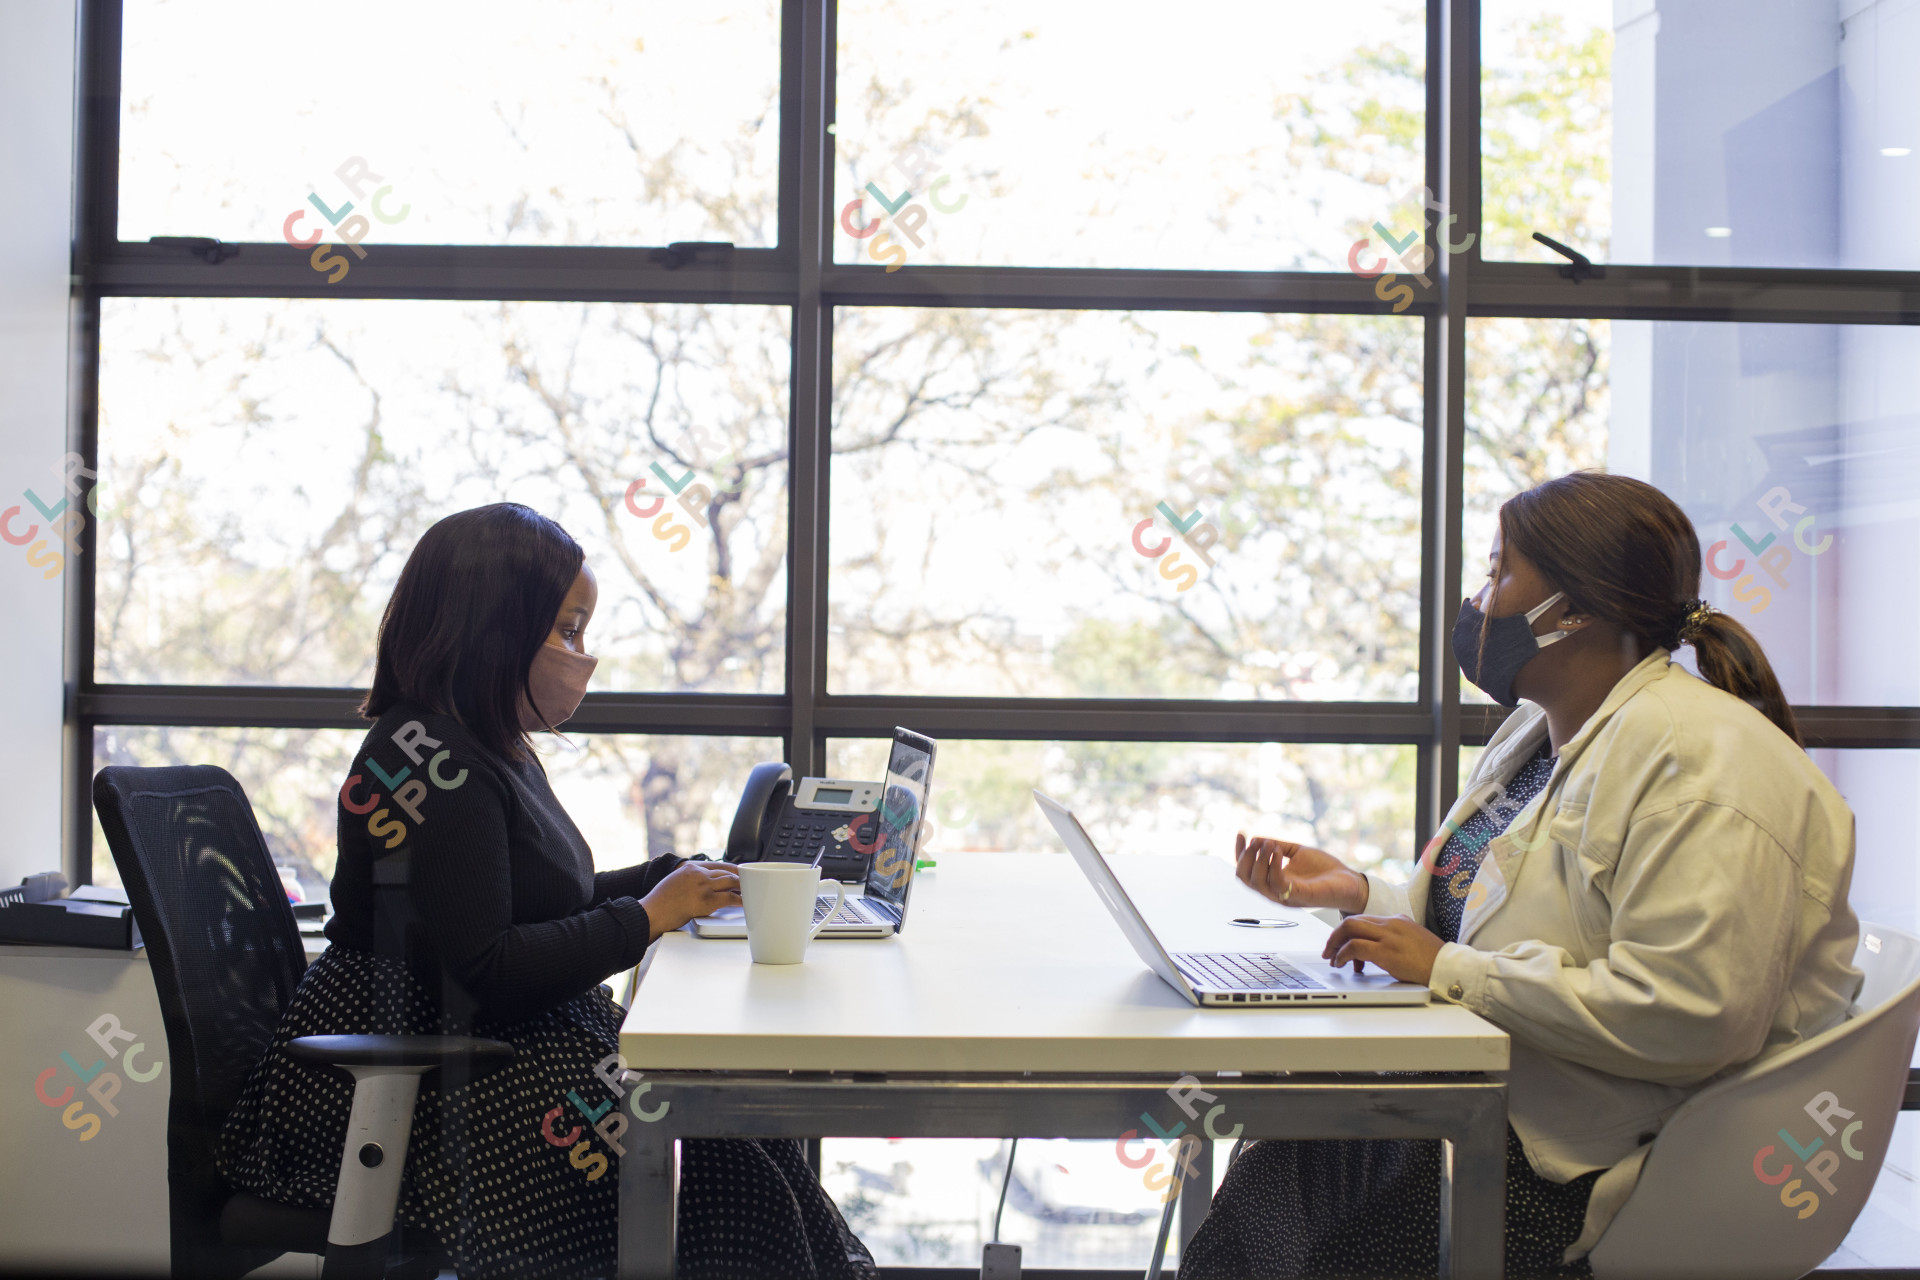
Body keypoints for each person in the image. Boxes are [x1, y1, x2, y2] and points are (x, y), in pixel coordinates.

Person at [1180, 472, 1861, 1279]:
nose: (1479, 600)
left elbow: (1691, 1014)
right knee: (1279, 1158)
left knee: (1329, 1232)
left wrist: (1448, 970)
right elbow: (1488, 923)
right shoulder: (1537, 735)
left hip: (1589, 1158)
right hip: (1499, 1105)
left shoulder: (1699, 762)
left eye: (1500, 573)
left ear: (1571, 610)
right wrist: (1360, 896)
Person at [217, 503, 876, 1280]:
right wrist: (645, 916)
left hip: (482, 1048)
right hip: (417, 1074)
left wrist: (662, 884)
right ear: (494, 629)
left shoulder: (487, 744)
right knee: (717, 1172)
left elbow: (526, 903)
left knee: (735, 1136)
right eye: (566, 630)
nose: (582, 657)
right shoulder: (422, 759)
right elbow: (486, 970)